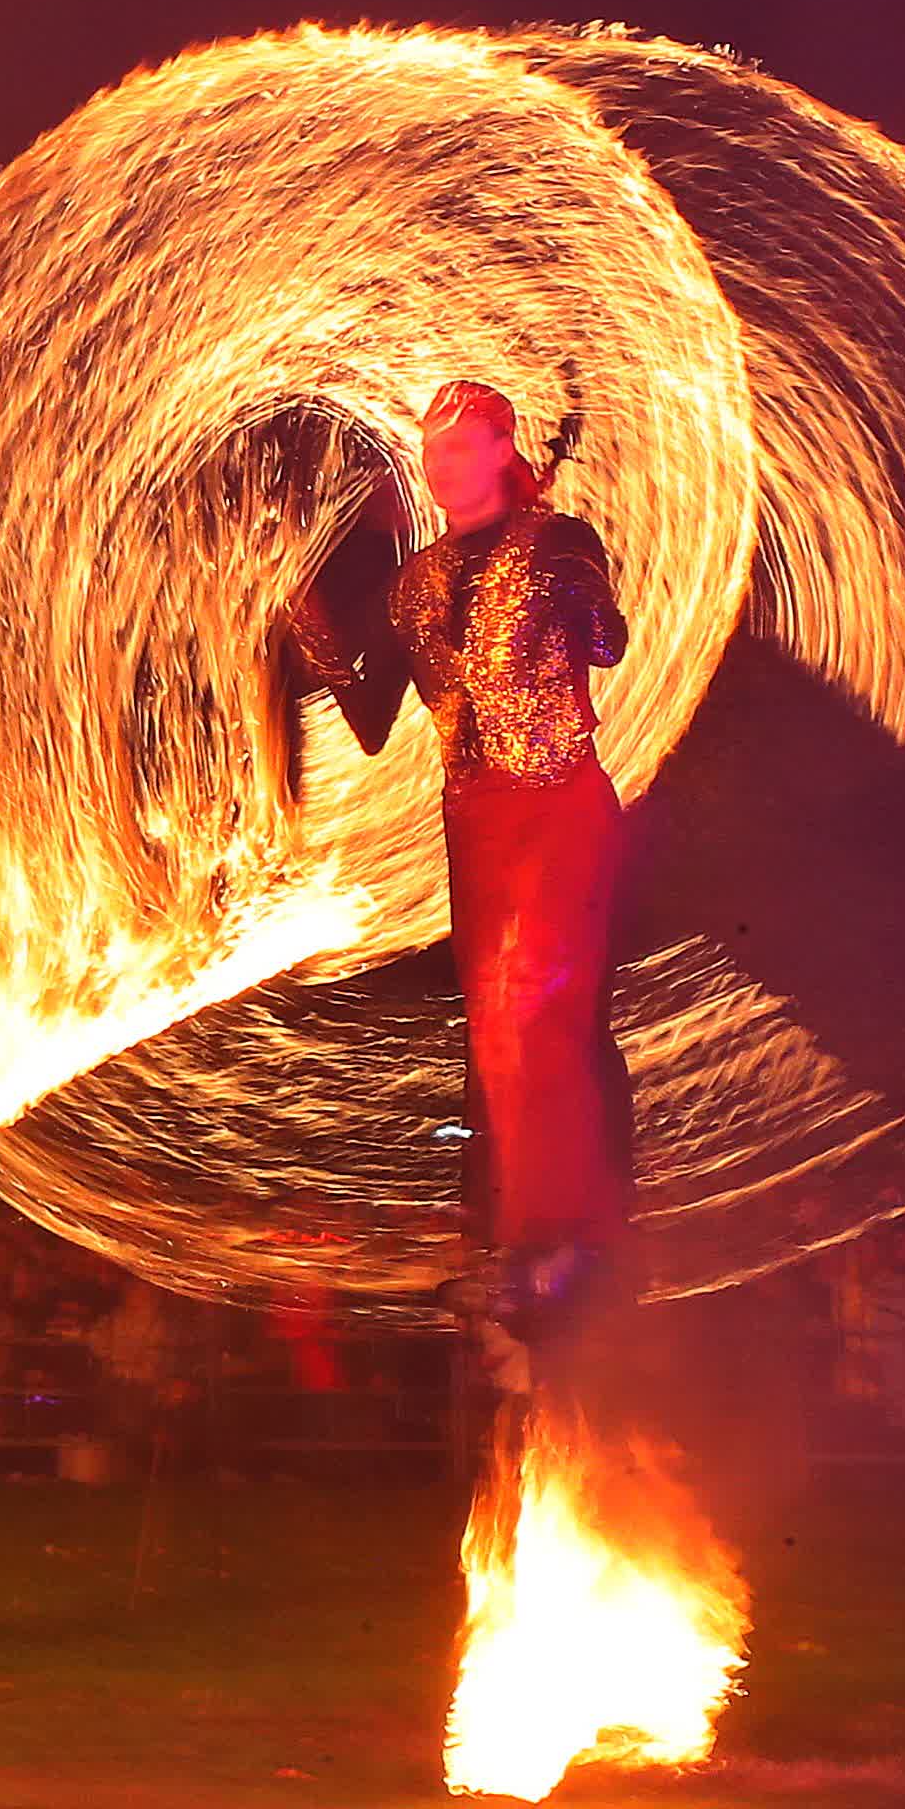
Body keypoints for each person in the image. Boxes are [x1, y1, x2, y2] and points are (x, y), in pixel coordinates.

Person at [293, 380, 635, 1317]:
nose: (440, 464)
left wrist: (580, 592)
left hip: (559, 799)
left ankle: (566, 1236)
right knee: (494, 1031)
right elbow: (370, 719)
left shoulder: (561, 541)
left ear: (499, 448)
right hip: (473, 818)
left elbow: (608, 643)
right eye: (430, 448)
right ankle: (512, 1239)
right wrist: (308, 624)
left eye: (458, 445)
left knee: (540, 1007)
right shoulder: (414, 585)